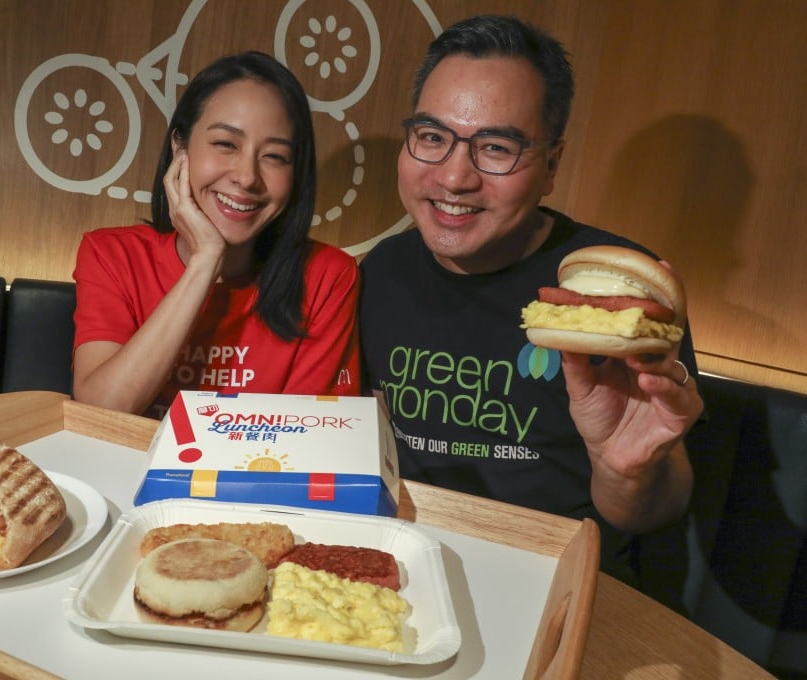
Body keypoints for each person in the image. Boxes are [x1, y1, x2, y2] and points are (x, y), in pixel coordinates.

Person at [358, 15, 705, 585]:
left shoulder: (615, 297)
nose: (454, 176)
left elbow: (655, 512)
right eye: (431, 136)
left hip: (555, 581)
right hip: (403, 572)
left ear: (551, 165)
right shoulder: (382, 271)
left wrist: (624, 474)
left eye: (496, 147)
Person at [73, 51, 360, 419]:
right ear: (180, 147)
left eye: (275, 156)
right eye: (226, 144)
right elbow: (99, 415)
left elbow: (305, 445)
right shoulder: (111, 255)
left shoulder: (327, 277)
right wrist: (205, 259)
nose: (247, 177)